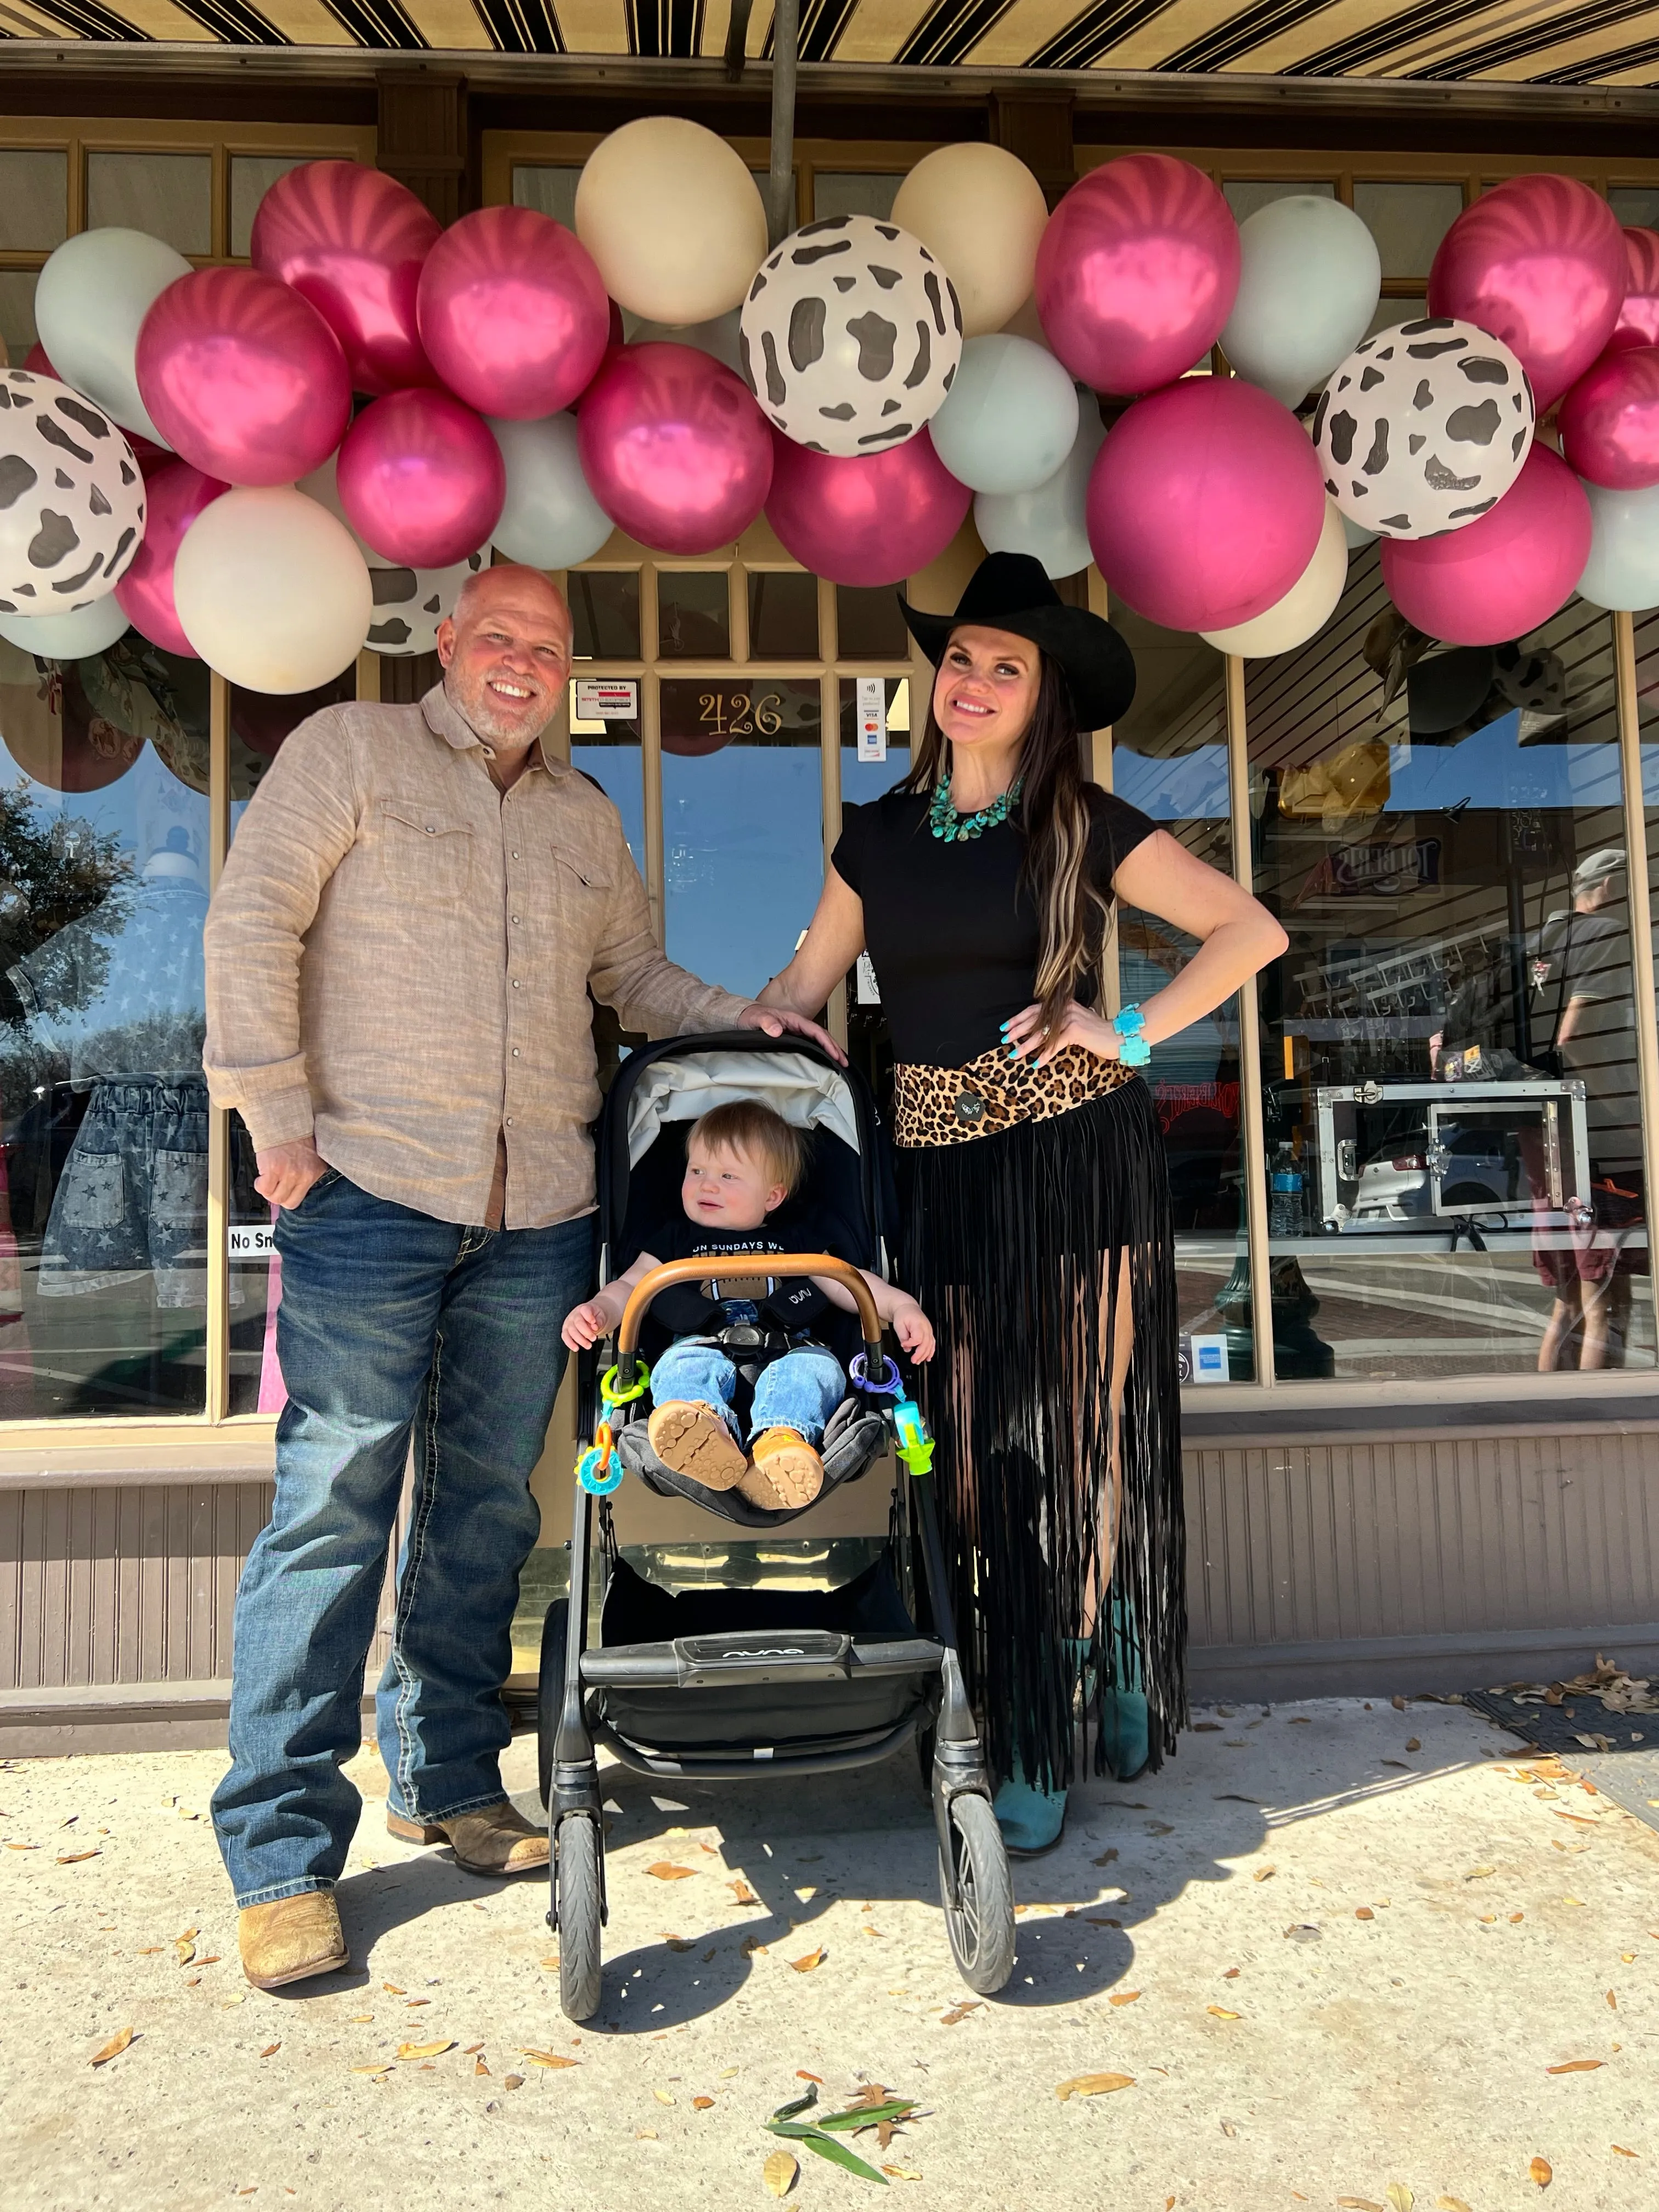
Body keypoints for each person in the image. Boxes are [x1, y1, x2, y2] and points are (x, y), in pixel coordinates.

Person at [203, 565, 833, 1990]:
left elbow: (636, 980)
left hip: (540, 1206)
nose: (523, 662)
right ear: (447, 642)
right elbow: (252, 928)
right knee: (333, 1505)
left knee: (487, 1508)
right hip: (367, 1187)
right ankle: (284, 1854)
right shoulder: (349, 755)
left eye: (548, 647)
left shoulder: (582, 817)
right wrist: (275, 1115)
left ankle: (450, 1778)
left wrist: (749, 1015)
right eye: (499, 636)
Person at [757, 551, 1286, 1854]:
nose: (975, 681)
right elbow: (806, 984)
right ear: (933, 680)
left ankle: (1073, 1680)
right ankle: (1056, 1666)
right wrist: (727, 1036)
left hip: (1074, 1156)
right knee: (984, 1446)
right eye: (962, 659)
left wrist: (1136, 1032)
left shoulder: (1081, 821)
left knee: (1085, 1426)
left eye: (1007, 665)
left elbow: (1249, 931)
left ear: (1043, 696)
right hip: (937, 1167)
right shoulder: (872, 835)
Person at [562, 1097, 934, 1511]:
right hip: (701, 1347)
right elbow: (631, 1287)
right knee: (679, 1368)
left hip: (788, 1351)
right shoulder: (673, 1239)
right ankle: (703, 1430)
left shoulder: (797, 1239)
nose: (707, 1184)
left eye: (728, 1175)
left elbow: (853, 1285)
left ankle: (779, 1444)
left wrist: (900, 1307)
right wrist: (600, 1309)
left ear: (773, 1196)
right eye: (697, 1170)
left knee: (817, 1371)